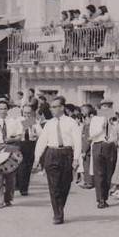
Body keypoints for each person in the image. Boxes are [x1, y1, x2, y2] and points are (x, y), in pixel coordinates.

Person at [33, 96, 82, 224]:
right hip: (52, 153)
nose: (52, 109)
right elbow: (42, 141)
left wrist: (76, 159)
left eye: (54, 107)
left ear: (62, 108)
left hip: (67, 153)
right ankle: (57, 214)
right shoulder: (49, 123)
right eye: (51, 107)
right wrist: (37, 157)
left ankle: (60, 207)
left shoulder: (72, 122)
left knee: (65, 184)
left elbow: (77, 141)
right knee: (53, 185)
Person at [0, 99, 24, 208]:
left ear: (8, 109)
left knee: (11, 176)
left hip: (10, 146)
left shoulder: (13, 121)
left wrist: (11, 139)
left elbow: (19, 136)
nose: (3, 111)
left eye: (5, 109)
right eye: (1, 109)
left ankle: (8, 199)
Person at [89, 99, 119, 208]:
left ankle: (104, 197)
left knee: (109, 173)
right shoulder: (95, 119)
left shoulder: (114, 119)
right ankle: (100, 199)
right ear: (100, 108)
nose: (106, 109)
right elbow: (92, 134)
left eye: (109, 107)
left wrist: (117, 122)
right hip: (99, 144)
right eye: (104, 106)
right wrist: (102, 127)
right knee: (99, 173)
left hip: (110, 146)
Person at [16, 102, 40, 196]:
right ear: (22, 111)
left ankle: (24, 187)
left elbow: (40, 133)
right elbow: (15, 131)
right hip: (20, 143)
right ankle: (19, 186)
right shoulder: (17, 120)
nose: (27, 114)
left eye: (29, 113)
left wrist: (35, 134)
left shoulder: (34, 121)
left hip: (30, 144)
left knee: (28, 166)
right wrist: (28, 123)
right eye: (25, 112)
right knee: (20, 166)